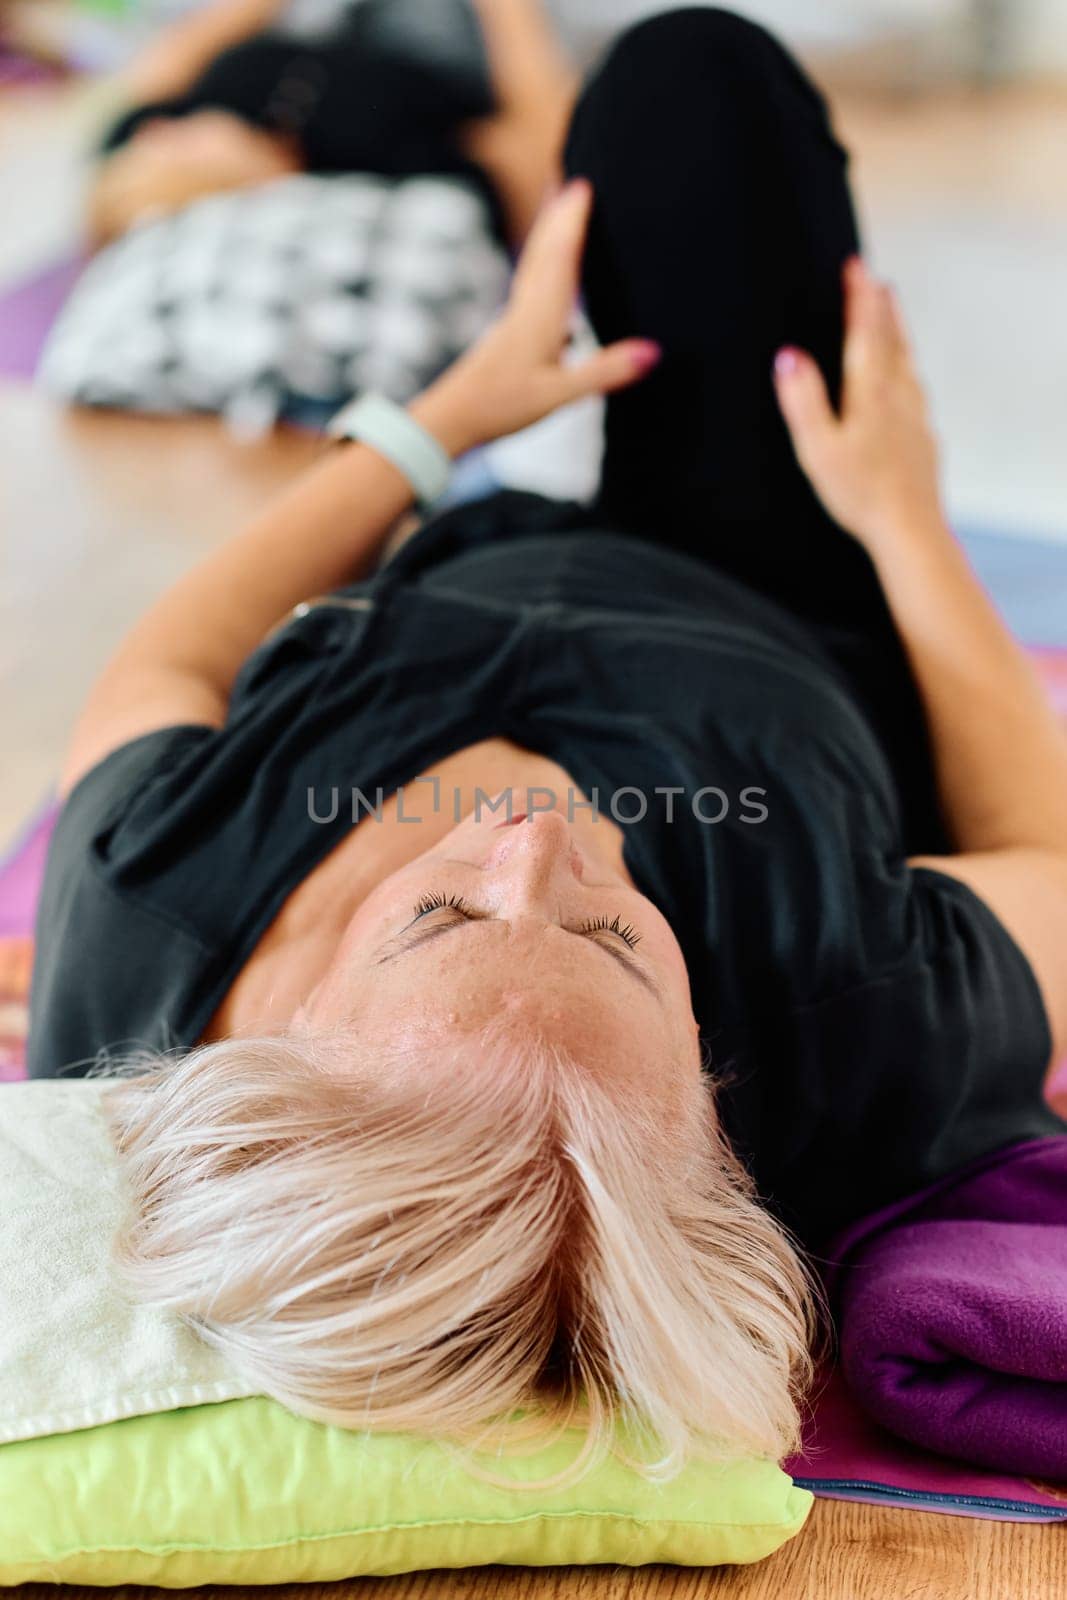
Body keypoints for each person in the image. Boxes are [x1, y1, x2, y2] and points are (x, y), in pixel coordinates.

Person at [29, 8, 1067, 1483]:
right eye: (615, 939)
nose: (534, 847)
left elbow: (176, 655)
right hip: (768, 591)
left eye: (438, 915)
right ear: (705, 1088)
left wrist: (431, 424)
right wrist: (902, 516)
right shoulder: (846, 1024)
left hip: (462, 566)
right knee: (694, 82)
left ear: (292, 1034)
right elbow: (1041, 850)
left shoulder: (151, 935)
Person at [86, 0, 576, 247]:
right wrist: (509, 10)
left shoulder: (148, 136)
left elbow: (169, 59)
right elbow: (542, 146)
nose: (159, 130)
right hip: (470, 45)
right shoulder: (384, 177)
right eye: (179, 148)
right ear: (254, 190)